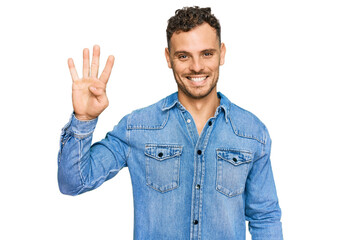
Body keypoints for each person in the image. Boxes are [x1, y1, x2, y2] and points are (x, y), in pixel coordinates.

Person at [58, 6, 283, 240]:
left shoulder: (252, 133)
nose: (197, 66)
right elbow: (73, 182)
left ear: (222, 53)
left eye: (206, 53)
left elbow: (264, 217)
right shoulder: (137, 127)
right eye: (184, 56)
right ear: (168, 58)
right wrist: (84, 119)